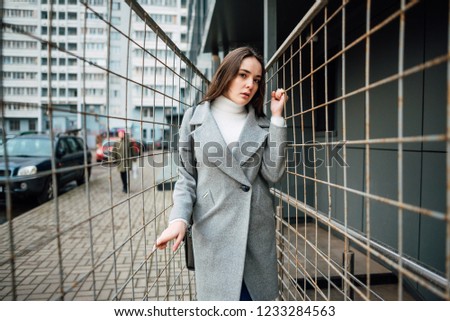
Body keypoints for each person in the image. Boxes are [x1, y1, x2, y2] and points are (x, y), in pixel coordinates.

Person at [155, 47, 287, 301]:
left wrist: (277, 118)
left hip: (255, 236)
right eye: (243, 75)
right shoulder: (193, 119)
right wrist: (179, 220)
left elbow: (273, 173)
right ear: (226, 74)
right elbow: (186, 177)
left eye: (256, 80)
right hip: (214, 233)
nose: (250, 85)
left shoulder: (261, 124)